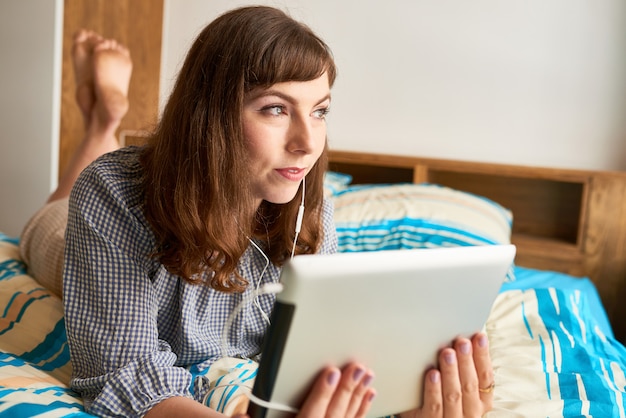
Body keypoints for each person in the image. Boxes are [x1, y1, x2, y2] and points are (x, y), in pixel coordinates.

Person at [20, 6, 494, 418]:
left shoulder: (309, 209)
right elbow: (119, 372)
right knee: (54, 211)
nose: (308, 144)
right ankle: (103, 121)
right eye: (275, 109)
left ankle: (104, 119)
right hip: (69, 245)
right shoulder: (114, 193)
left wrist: (409, 391)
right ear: (212, 115)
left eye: (320, 111)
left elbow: (321, 356)